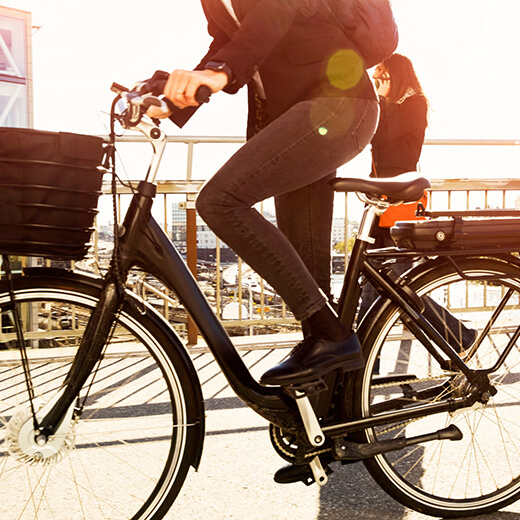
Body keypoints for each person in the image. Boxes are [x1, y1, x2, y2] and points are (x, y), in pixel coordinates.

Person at [149, 0, 379, 387]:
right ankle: (340, 418)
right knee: (312, 283)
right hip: (298, 116)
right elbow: (229, 44)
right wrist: (169, 97)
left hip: (340, 105)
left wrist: (220, 72)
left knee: (219, 199)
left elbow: (274, 14)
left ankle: (335, 339)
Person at [358, 53, 476, 352]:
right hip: (380, 201)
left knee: (400, 284)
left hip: (401, 205)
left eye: (381, 74)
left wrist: (381, 100)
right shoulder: (391, 106)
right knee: (372, 281)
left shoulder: (414, 104)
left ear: (396, 74)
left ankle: (459, 335)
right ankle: (358, 354)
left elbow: (382, 135)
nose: (376, 80)